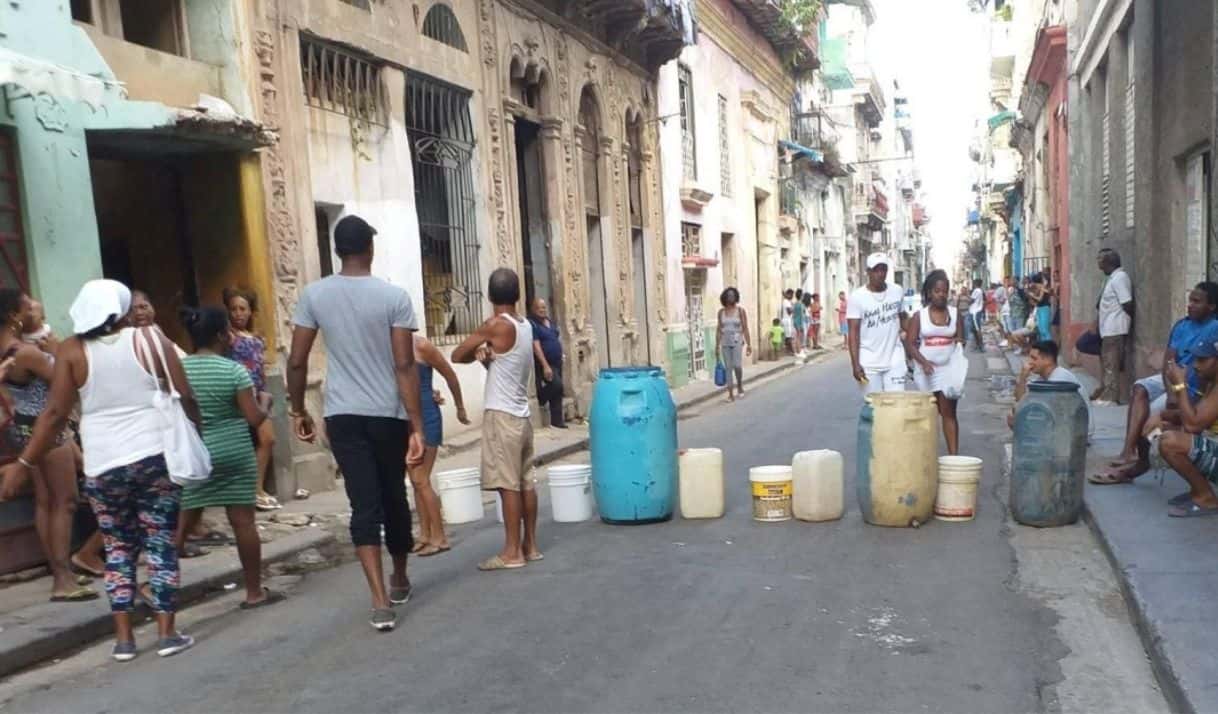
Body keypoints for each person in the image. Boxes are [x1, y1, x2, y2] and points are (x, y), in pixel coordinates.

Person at [0, 279, 200, 660]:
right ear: (122, 309)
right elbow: (184, 394)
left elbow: (55, 413)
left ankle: (124, 640)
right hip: (154, 457)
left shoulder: (73, 350)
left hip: (103, 465)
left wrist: (24, 463)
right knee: (159, 544)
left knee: (118, 548)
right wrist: (196, 433)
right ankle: (166, 633)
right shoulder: (150, 340)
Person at [287, 214, 425, 633]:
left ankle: (380, 600)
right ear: (369, 248)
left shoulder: (314, 296)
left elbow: (296, 360)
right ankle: (399, 577)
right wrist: (416, 423)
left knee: (362, 502)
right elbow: (404, 364)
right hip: (387, 414)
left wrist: (298, 410)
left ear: (337, 250)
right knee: (393, 498)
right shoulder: (394, 297)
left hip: (342, 415)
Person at [175, 306, 280, 610]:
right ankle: (253, 591)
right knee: (243, 523)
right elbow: (254, 418)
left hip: (196, 454)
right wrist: (265, 401)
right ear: (223, 335)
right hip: (234, 452)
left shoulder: (180, 369)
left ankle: (158, 589)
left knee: (180, 526)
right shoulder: (234, 371)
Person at [0, 289, 97, 602]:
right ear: (15, 315)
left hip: (24, 427)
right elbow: (65, 379)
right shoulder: (24, 351)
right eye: (27, 306)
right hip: (47, 430)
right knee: (65, 501)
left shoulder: (9, 349)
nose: (34, 309)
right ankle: (62, 579)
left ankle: (61, 569)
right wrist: (56, 350)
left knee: (45, 501)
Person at [453, 268, 539, 572]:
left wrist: (480, 347)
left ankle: (511, 552)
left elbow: (457, 354)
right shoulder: (525, 325)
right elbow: (506, 363)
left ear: (489, 296)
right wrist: (489, 357)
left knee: (507, 485)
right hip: (522, 415)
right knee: (526, 481)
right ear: (517, 295)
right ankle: (530, 545)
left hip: (502, 415)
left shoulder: (495, 326)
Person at [1090, 282, 1218, 484]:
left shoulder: (1214, 330)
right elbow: (1169, 360)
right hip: (1175, 381)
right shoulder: (1182, 325)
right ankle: (1128, 452)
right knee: (1140, 388)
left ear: (1211, 306)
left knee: (1152, 426)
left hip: (1190, 386)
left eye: (1196, 301)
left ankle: (1138, 463)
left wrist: (1175, 396)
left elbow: (1195, 418)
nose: (1190, 305)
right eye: (1189, 300)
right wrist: (1172, 392)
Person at [409, 335, 470, 556]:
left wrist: (460, 407)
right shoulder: (386, 347)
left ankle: (440, 536)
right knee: (415, 480)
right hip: (405, 417)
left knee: (421, 478)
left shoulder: (422, 346)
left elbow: (450, 374)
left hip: (426, 417)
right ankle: (425, 533)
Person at [223, 287, 279, 512]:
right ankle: (251, 491)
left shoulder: (257, 338)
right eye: (233, 309)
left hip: (259, 396)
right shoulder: (228, 337)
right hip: (239, 396)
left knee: (268, 439)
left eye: (242, 309)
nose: (238, 314)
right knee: (248, 444)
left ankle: (257, 489)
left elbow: (260, 369)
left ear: (251, 312)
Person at [1158, 324, 1218, 516]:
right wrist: (1161, 419)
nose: (1196, 365)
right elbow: (1194, 415)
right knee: (1164, 430)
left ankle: (1206, 497)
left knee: (1169, 442)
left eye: (1203, 360)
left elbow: (1193, 425)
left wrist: (1180, 385)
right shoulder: (1210, 383)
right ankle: (1198, 490)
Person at [904, 270, 965, 454]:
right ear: (930, 292)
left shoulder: (955, 314)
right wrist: (923, 363)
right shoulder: (919, 316)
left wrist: (958, 359)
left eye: (945, 291)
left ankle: (953, 457)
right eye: (938, 291)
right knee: (929, 413)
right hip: (926, 371)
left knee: (948, 412)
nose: (942, 295)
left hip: (948, 370)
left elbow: (961, 341)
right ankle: (927, 456)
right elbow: (910, 344)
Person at [847, 253, 907, 393]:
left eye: (883, 269)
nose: (880, 274)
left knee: (897, 403)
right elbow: (853, 333)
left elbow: (903, 318)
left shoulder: (897, 291)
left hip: (895, 358)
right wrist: (855, 364)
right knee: (874, 408)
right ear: (868, 272)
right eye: (876, 270)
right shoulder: (857, 297)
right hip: (869, 361)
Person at [1010, 340, 1093, 440]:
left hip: (1077, 431)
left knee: (1019, 417)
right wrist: (1022, 377)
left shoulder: (1060, 378)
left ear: (1047, 360)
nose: (1029, 362)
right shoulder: (1042, 378)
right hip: (1063, 425)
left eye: (1034, 358)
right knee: (1015, 413)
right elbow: (1020, 400)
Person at [1095, 249, 1134, 405]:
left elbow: (1127, 303)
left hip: (1115, 327)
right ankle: (1107, 394)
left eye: (1100, 261)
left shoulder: (1119, 278)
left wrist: (1123, 320)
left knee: (1112, 363)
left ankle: (1111, 398)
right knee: (1108, 362)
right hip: (1109, 327)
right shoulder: (1112, 278)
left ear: (1108, 262)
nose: (1099, 266)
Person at [528, 298, 565, 429]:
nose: (543, 310)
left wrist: (562, 353)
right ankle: (541, 398)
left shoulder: (550, 322)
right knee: (557, 385)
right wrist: (545, 365)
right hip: (545, 362)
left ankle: (557, 421)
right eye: (540, 308)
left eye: (544, 307)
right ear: (534, 310)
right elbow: (536, 345)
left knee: (559, 391)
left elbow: (556, 338)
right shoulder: (533, 324)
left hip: (557, 361)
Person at [715, 287, 752, 402]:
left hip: (737, 341)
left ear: (736, 297)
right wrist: (716, 345)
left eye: (733, 295)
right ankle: (730, 394)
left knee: (737, 365)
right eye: (728, 295)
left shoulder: (740, 311)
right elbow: (719, 329)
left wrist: (749, 344)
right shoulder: (721, 312)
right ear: (724, 298)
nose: (731, 297)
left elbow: (745, 328)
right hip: (725, 342)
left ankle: (740, 385)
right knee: (728, 368)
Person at [968, 279, 985, 352]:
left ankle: (981, 346)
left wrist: (966, 295)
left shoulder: (976, 291)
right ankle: (978, 345)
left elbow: (971, 301)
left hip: (975, 312)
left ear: (975, 283)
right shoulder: (980, 291)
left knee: (977, 329)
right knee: (974, 329)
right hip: (974, 311)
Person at [780, 289, 795, 355]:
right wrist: (793, 309)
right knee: (788, 337)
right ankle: (791, 351)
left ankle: (789, 351)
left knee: (788, 336)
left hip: (788, 320)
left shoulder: (788, 301)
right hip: (786, 320)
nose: (792, 296)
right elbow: (789, 311)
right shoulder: (786, 301)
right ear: (788, 294)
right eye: (791, 295)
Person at [792, 288, 806, 355]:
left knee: (797, 336)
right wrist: (801, 325)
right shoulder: (800, 304)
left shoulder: (795, 304)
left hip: (795, 321)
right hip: (799, 322)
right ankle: (799, 350)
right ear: (801, 296)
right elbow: (801, 315)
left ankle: (798, 350)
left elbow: (794, 314)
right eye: (802, 295)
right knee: (798, 337)